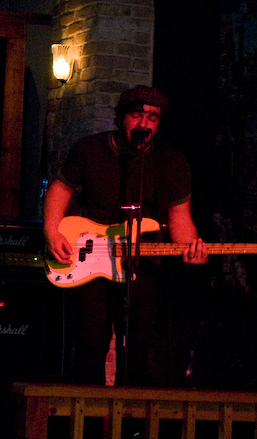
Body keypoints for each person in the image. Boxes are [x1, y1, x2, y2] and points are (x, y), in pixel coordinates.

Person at [43, 85, 208, 387]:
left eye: (153, 118)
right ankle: (88, 415)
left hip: (142, 264)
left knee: (138, 350)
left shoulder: (172, 162)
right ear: (120, 118)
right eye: (136, 115)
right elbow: (60, 189)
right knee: (90, 344)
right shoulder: (89, 149)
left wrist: (191, 253)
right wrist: (52, 232)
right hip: (90, 259)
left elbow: (180, 219)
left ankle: (130, 415)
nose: (144, 124)